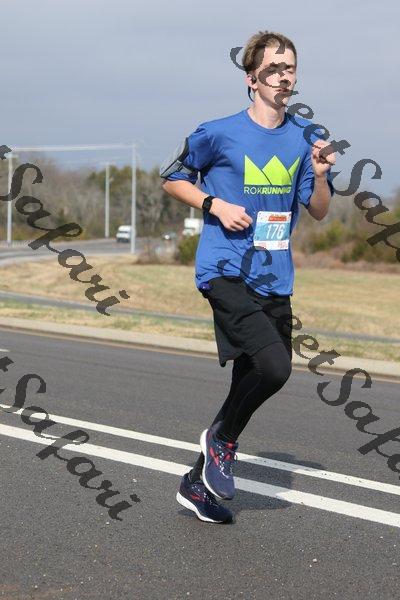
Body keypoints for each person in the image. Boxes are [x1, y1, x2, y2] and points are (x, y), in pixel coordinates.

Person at [159, 30, 336, 524]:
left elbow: (319, 210)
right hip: (225, 269)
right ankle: (222, 441)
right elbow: (172, 178)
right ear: (251, 79)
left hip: (274, 276)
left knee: (251, 377)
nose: (283, 76)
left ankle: (197, 484)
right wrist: (214, 204)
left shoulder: (306, 138)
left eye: (290, 68)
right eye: (273, 69)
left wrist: (322, 175)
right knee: (275, 367)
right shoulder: (217, 133)